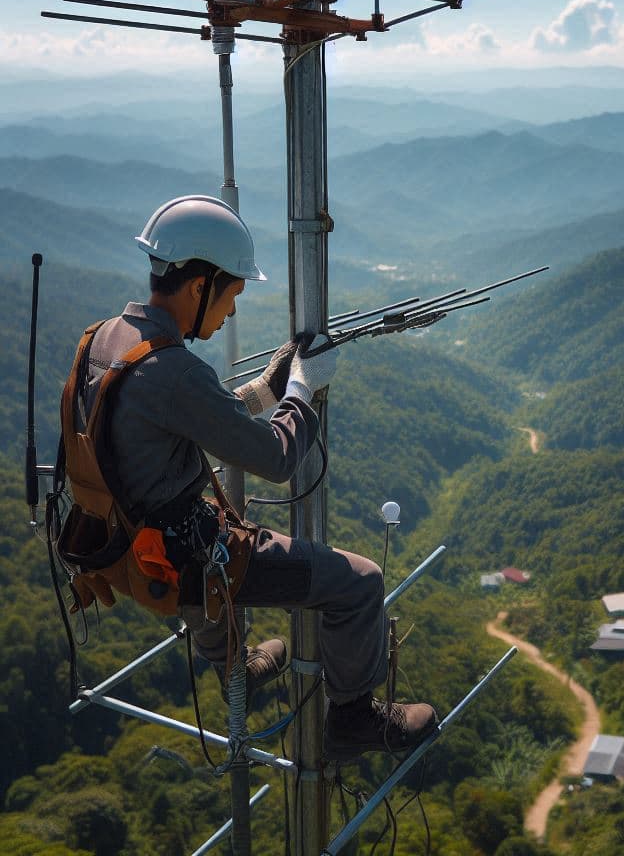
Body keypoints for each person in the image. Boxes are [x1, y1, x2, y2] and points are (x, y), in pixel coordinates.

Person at [66, 195, 436, 763]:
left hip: (127, 546)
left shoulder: (104, 340)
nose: (231, 313)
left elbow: (170, 420)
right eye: (231, 294)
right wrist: (302, 393)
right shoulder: (174, 371)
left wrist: (263, 391)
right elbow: (277, 458)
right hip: (186, 555)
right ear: (199, 286)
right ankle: (353, 717)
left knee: (202, 541)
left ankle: (236, 664)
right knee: (359, 582)